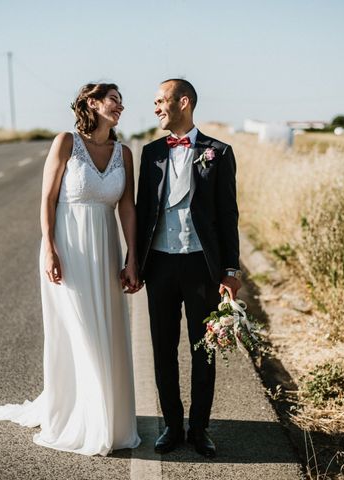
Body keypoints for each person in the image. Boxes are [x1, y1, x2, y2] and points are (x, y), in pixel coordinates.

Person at [0, 83, 141, 456]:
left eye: (121, 101)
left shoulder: (124, 153)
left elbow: (127, 208)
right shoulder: (65, 143)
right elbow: (48, 197)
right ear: (92, 103)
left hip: (105, 251)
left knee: (106, 330)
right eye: (113, 100)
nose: (120, 106)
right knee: (80, 332)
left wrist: (132, 256)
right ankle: (84, 418)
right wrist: (49, 249)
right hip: (69, 250)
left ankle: (108, 417)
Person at [134, 79, 242, 458]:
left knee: (204, 351)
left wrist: (232, 270)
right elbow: (141, 213)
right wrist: (134, 262)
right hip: (160, 265)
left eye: (161, 101)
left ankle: (200, 428)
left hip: (202, 267)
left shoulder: (219, 152)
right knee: (163, 349)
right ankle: (172, 426)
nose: (156, 108)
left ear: (184, 102)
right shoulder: (150, 154)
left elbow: (228, 216)